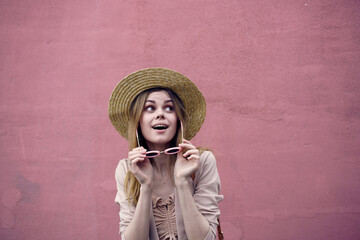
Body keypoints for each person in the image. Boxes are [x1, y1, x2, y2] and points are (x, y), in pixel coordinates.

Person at [108, 68, 223, 240]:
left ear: (179, 120)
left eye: (169, 108)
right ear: (138, 121)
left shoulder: (202, 161)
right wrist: (145, 186)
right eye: (150, 108)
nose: (160, 114)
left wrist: (182, 182)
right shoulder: (127, 169)